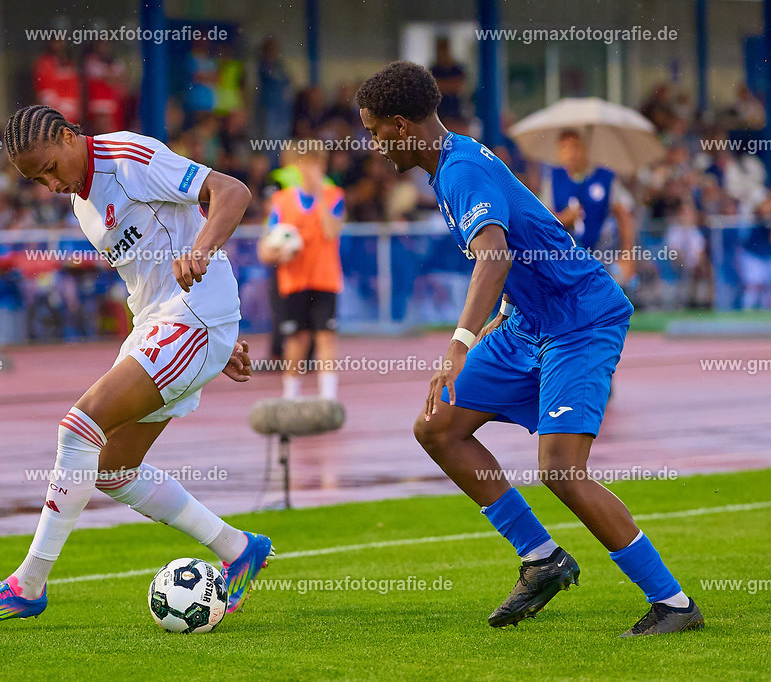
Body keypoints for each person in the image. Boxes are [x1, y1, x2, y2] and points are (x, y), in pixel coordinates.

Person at [356, 61, 703, 637]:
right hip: (525, 323)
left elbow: (496, 255)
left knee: (562, 470)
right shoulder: (450, 161)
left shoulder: (461, 170)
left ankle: (673, 603)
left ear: (401, 125)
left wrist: (459, 344)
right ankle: (543, 560)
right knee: (438, 426)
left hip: (580, 321)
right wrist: (498, 315)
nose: (372, 143)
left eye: (374, 130)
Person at [0, 105, 272, 625]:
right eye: (37, 179)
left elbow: (233, 191)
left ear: (70, 136)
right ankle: (237, 549)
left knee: (79, 429)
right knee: (114, 470)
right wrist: (213, 343)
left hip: (190, 320)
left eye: (50, 167)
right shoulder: (83, 203)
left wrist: (204, 258)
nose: (50, 184)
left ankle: (27, 585)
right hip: (169, 324)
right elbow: (146, 274)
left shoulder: (130, 157)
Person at [258, 146, 344, 399]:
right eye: (303, 165)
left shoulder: (333, 195)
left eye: (313, 165)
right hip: (294, 280)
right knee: (296, 339)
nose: (307, 171)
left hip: (324, 278)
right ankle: (291, 396)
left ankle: (328, 398)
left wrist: (318, 195)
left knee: (325, 336)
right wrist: (276, 253)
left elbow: (331, 230)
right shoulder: (282, 201)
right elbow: (266, 246)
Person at [541, 130, 637, 284]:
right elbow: (543, 218)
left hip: (602, 251)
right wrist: (563, 218)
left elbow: (624, 214)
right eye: (564, 148)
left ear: (584, 149)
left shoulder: (604, 177)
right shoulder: (553, 179)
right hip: (566, 255)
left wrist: (628, 253)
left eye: (574, 146)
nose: (570, 153)